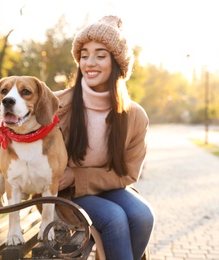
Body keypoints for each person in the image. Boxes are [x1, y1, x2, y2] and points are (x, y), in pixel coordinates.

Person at [54, 15, 155, 260]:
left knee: (143, 215)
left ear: (117, 63)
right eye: (84, 55)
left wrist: (78, 176)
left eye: (100, 55)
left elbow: (128, 174)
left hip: (107, 187)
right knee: (114, 219)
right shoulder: (58, 105)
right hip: (64, 194)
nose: (90, 63)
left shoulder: (134, 116)